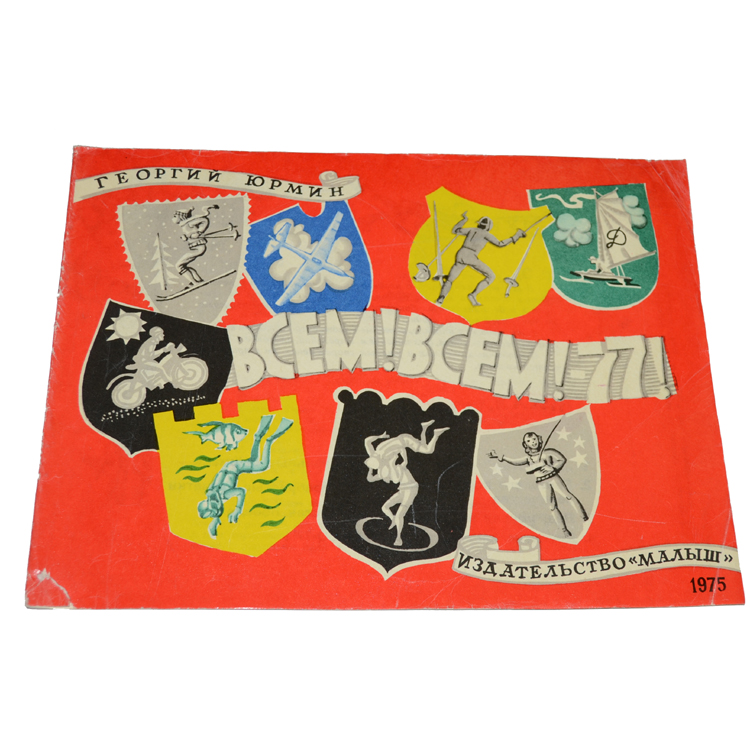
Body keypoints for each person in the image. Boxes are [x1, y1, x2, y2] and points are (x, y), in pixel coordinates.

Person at [198, 415, 294, 538]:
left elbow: (241, 491)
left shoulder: (224, 495)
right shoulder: (210, 492)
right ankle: (261, 431)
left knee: (263, 465)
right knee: (253, 459)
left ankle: (269, 439)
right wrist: (214, 523)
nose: (216, 512)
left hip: (233, 468)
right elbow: (219, 478)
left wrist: (238, 509)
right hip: (229, 467)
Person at [364, 420, 449, 546]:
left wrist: (403, 460)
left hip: (410, 486)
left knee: (428, 450)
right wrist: (380, 437)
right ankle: (424, 428)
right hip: (403, 487)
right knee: (385, 507)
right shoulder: (377, 452)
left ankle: (398, 538)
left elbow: (394, 474)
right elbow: (367, 441)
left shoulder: (390, 462)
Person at [489, 431, 588, 538]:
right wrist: (502, 457)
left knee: (568, 496)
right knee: (552, 506)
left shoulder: (548, 451)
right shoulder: (528, 458)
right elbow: (515, 461)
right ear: (525, 444)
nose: (533, 442)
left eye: (534, 439)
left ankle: (584, 517)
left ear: (539, 439)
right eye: (529, 441)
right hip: (541, 483)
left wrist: (553, 467)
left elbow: (562, 459)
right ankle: (564, 531)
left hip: (553, 478)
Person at [437, 212, 525, 306]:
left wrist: (464, 220)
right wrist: (515, 236)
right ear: (488, 227)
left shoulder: (472, 229)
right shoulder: (486, 234)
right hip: (471, 256)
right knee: (491, 276)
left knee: (450, 280)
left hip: (461, 253)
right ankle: (473, 294)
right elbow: (500, 244)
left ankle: (441, 297)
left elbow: (455, 230)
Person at [173, 205, 219, 284]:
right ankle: (198, 280)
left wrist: (199, 232)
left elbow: (205, 220)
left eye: (175, 216)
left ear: (181, 216)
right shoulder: (184, 225)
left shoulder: (189, 223)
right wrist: (186, 237)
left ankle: (194, 283)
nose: (173, 218)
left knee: (178, 265)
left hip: (199, 247)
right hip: (195, 248)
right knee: (182, 265)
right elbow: (190, 235)